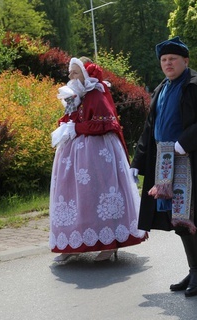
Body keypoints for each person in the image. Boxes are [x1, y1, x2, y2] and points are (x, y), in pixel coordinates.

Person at [130, 37, 197, 297]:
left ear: (186, 61)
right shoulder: (161, 89)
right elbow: (150, 129)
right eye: (164, 60)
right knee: (179, 218)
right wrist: (137, 163)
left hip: (189, 159)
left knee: (184, 219)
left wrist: (185, 142)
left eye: (173, 59)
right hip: (163, 164)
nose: (168, 64)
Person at [49, 57, 147, 262]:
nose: (70, 77)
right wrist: (66, 124)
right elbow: (69, 119)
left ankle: (109, 242)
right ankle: (72, 243)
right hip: (74, 158)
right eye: (70, 72)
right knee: (75, 198)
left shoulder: (97, 94)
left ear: (86, 74)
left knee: (99, 194)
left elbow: (104, 124)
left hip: (97, 154)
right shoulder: (74, 95)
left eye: (75, 72)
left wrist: (76, 128)